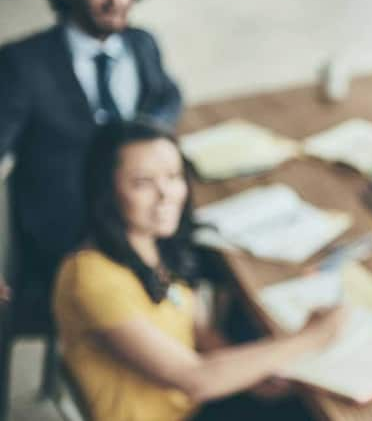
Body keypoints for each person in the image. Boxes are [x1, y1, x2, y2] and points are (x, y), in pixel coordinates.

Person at [53, 120, 346, 421]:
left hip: (190, 404)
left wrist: (254, 373)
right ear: (106, 192)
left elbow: (199, 331)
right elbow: (196, 379)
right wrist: (311, 337)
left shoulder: (154, 243)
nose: (166, 194)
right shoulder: (91, 277)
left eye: (173, 176)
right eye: (142, 183)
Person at [0, 0, 183, 322]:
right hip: (69, 235)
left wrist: (146, 137)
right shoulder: (22, 62)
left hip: (142, 218)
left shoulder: (142, 43)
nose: (116, 0)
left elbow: (169, 94)